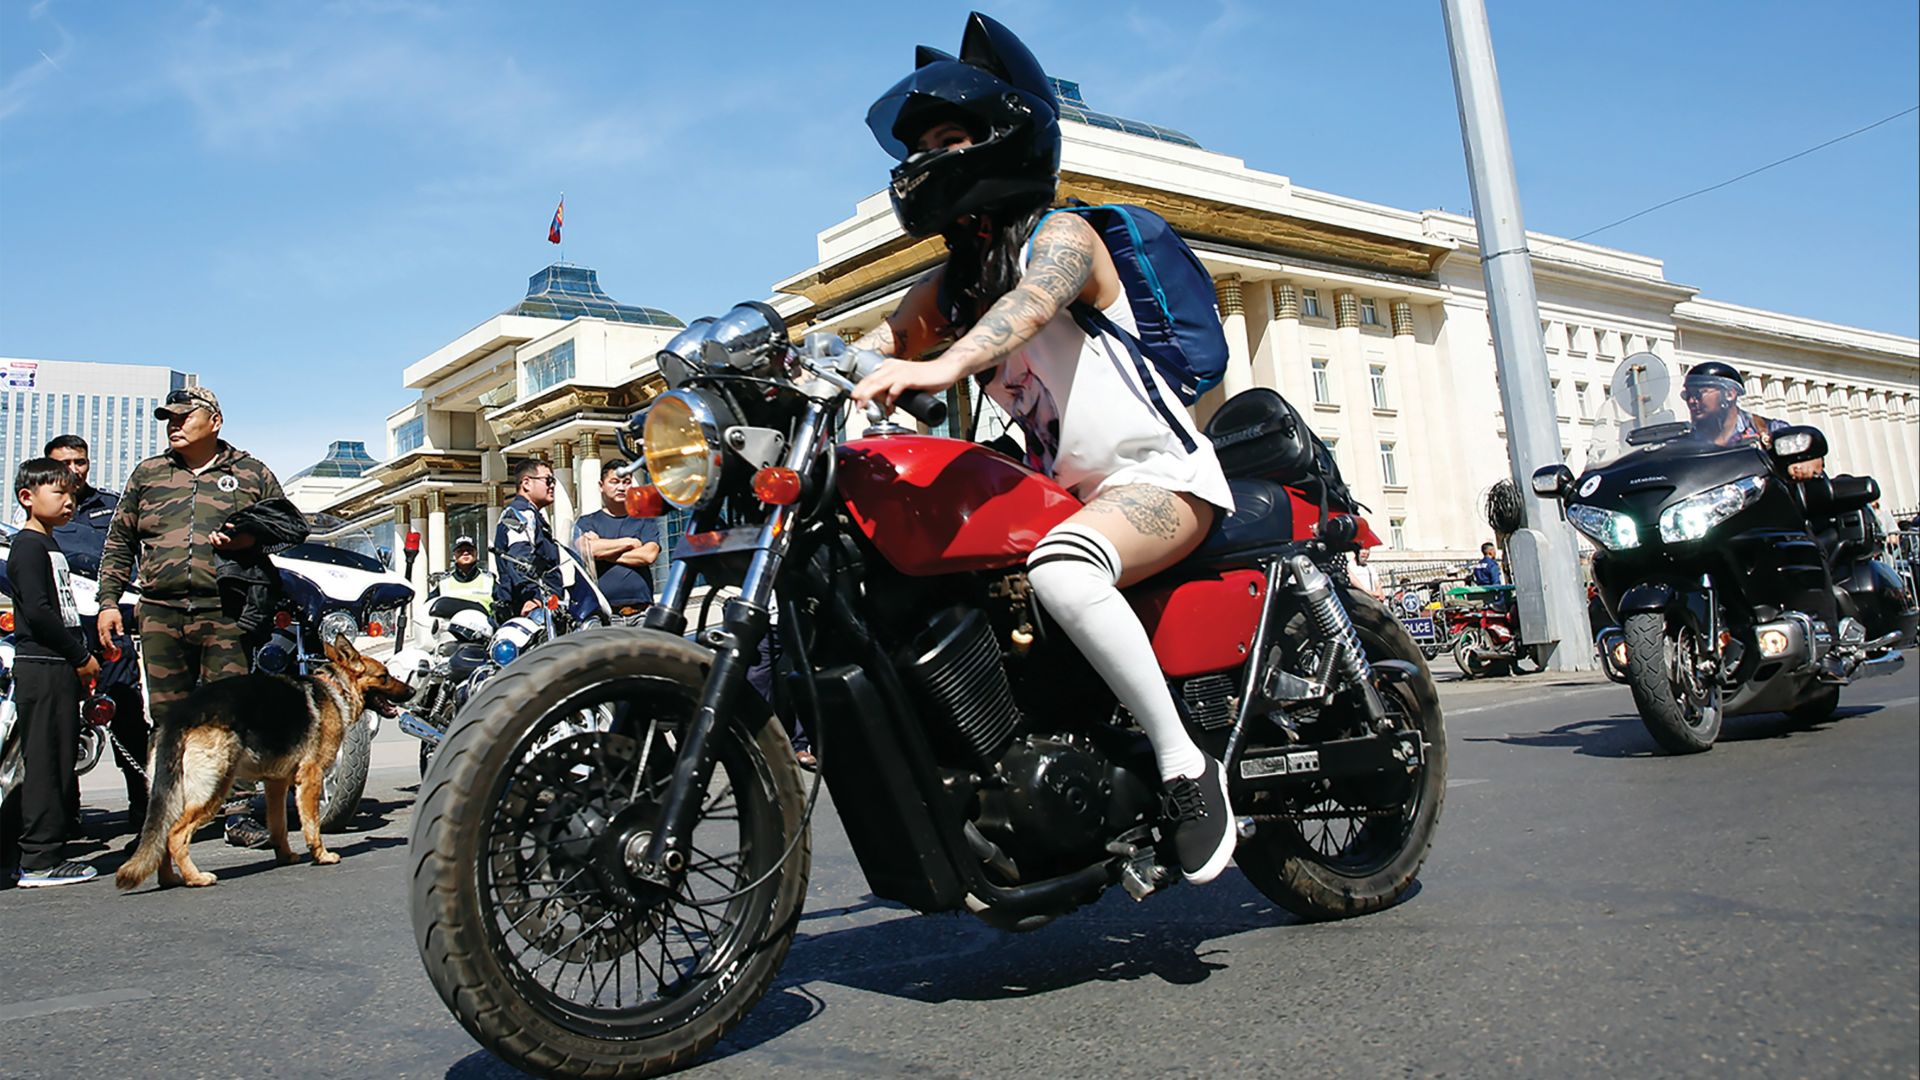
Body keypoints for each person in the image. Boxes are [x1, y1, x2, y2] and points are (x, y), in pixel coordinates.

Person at [851, 13, 1236, 884]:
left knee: (1062, 570)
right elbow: (871, 343)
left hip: (1158, 480)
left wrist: (942, 363)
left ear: (1003, 135)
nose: (930, 156)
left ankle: (1183, 766)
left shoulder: (1063, 234)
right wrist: (787, 371)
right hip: (1065, 494)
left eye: (951, 136)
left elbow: (1029, 306)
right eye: (922, 145)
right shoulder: (951, 281)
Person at [95, 386, 288, 849]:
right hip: (161, 611)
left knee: (230, 715)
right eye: (169, 418)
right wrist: (107, 601)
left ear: (214, 421)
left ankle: (237, 811)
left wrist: (248, 543)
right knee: (166, 717)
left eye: (184, 416)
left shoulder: (250, 472)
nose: (174, 425)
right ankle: (165, 813)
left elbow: (287, 528)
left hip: (226, 613)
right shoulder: (150, 473)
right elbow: (120, 541)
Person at [2, 459, 102, 886]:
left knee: (58, 761)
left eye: (73, 494)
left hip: (59, 665)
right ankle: (39, 860)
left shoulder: (50, 545)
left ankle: (34, 852)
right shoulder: (27, 546)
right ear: (28, 497)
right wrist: (80, 656)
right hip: (42, 665)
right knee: (44, 763)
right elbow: (40, 615)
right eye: (58, 493)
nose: (69, 501)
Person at [45, 434, 150, 827]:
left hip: (110, 629)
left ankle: (142, 804)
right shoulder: (44, 510)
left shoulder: (112, 507)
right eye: (64, 463)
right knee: (61, 722)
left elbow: (134, 557)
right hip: (61, 631)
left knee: (127, 715)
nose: (74, 470)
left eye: (80, 462)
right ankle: (65, 810)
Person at [1682, 360, 1824, 480]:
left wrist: (1809, 463)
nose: (1691, 401)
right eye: (1687, 395)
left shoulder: (1770, 430)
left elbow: (1813, 460)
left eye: (1698, 394)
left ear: (1730, 394)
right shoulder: (1686, 442)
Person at [572, 466, 661, 624]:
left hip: (641, 613)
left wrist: (604, 552)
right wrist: (630, 542)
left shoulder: (644, 520)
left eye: (626, 482)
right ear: (601, 485)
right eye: (614, 482)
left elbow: (648, 555)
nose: (621, 487)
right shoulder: (587, 522)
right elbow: (587, 549)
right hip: (605, 616)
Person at [492, 459, 563, 622]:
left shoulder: (533, 515)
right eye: (548, 480)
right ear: (527, 483)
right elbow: (519, 558)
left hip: (543, 605)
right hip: (527, 609)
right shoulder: (521, 514)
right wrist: (533, 597)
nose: (552, 485)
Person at [431, 536, 495, 608]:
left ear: (476, 553)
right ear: (454, 555)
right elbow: (429, 606)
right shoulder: (444, 581)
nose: (465, 553)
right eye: (460, 551)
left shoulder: (489, 579)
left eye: (469, 550)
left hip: (483, 618)